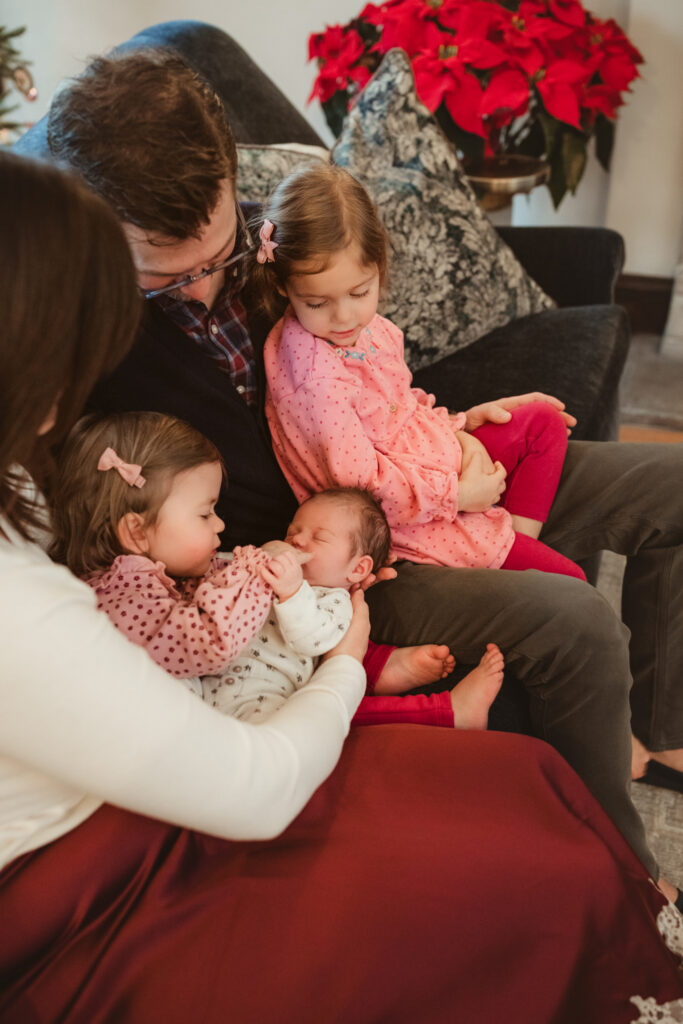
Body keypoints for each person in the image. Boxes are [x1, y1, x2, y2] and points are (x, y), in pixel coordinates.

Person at [3, 148, 683, 1024]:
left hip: (413, 479)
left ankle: (657, 735)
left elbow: (381, 387)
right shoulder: (49, 550)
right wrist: (348, 661)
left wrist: (459, 429)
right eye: (178, 273)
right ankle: (628, 868)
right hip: (330, 553)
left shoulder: (271, 246)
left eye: (229, 248)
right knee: (553, 698)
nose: (218, 281)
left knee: (660, 491)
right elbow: (238, 767)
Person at [50, 410, 502, 728]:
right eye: (206, 514)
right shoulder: (124, 597)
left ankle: (414, 690)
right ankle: (428, 703)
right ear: (136, 532)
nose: (222, 525)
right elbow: (211, 636)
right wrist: (253, 569)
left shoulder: (149, 577)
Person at [257, 163, 585, 582]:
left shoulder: (369, 330)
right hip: (401, 517)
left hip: (431, 461)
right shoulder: (315, 380)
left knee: (543, 422)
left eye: (360, 292)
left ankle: (515, 551)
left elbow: (400, 406)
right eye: (317, 303)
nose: (343, 316)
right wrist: (460, 496)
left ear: (378, 267)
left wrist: (459, 426)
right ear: (283, 287)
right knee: (569, 583)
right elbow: (366, 487)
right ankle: (509, 563)